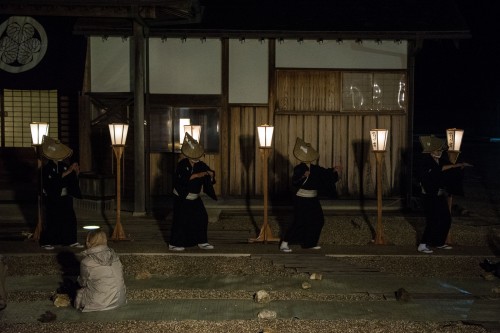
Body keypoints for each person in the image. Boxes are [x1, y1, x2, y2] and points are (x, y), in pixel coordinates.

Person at [280, 137, 341, 252]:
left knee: (318, 220)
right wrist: (303, 176)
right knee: (299, 221)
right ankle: (285, 243)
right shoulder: (299, 168)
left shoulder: (315, 168)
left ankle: (310, 243)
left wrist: (334, 170)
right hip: (301, 199)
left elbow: (325, 173)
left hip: (313, 199)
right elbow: (295, 182)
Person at [417, 135, 472, 254]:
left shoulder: (440, 160)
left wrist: (459, 166)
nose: (440, 152)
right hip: (428, 195)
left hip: (439, 195)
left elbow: (448, 169)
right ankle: (423, 244)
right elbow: (437, 171)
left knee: (446, 218)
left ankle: (439, 242)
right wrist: (454, 166)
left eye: (441, 150)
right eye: (437, 150)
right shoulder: (425, 161)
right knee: (432, 220)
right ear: (431, 151)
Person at [169, 133, 217, 251]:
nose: (196, 159)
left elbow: (209, 174)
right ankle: (174, 244)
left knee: (202, 217)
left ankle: (202, 241)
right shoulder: (182, 164)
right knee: (180, 220)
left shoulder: (201, 165)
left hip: (194, 197)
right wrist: (199, 174)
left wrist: (210, 175)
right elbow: (184, 179)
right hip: (181, 196)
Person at [39, 136, 83, 250]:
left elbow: (70, 181)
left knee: (70, 219)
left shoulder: (64, 166)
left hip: (65, 197)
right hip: (53, 198)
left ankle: (71, 240)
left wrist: (76, 173)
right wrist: (68, 171)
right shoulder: (47, 168)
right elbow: (52, 181)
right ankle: (47, 242)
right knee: (52, 220)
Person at [75, 230, 126, 312]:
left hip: (100, 303)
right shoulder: (115, 256)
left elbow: (82, 283)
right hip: (120, 300)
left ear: (88, 242)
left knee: (78, 291)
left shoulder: (87, 262)